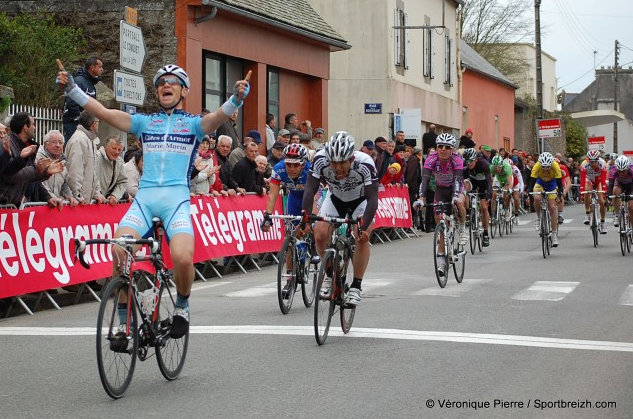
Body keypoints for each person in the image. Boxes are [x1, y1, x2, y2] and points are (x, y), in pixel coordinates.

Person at [57, 61, 250, 339]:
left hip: (176, 201)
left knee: (183, 258)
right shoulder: (146, 122)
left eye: (172, 82)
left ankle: (182, 305)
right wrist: (73, 89)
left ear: (184, 91)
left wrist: (236, 99)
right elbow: (103, 112)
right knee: (119, 250)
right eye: (161, 82)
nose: (166, 86)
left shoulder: (193, 124)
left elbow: (217, 117)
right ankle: (126, 322)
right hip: (145, 200)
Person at [299, 131, 378, 306]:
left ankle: (356, 286)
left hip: (361, 201)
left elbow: (373, 198)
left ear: (351, 159)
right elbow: (310, 189)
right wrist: (305, 217)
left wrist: (364, 226)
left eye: (342, 162)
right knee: (319, 233)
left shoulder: (365, 163)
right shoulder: (320, 159)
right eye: (333, 162)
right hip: (335, 198)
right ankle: (329, 276)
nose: (337, 168)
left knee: (360, 235)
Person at [261, 144, 315, 297]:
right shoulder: (278, 169)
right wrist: (267, 216)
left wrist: (310, 221)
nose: (291, 168)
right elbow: (272, 195)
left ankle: (314, 246)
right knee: (290, 237)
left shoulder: (310, 170)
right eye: (288, 164)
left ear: (303, 163)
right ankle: (290, 278)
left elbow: (315, 196)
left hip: (310, 198)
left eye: (295, 165)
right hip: (294, 198)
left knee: (313, 227)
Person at [415, 133, 467, 276]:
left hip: (455, 188)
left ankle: (462, 227)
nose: (443, 149)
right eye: (440, 146)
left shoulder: (457, 159)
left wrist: (456, 196)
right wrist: (421, 198)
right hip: (440, 189)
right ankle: (442, 261)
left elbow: (457, 179)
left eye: (447, 147)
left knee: (459, 203)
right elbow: (425, 180)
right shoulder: (431, 159)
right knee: (441, 224)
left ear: (452, 149)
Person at [0, 112, 64, 208]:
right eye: (33, 124)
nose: (34, 127)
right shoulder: (6, 144)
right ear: (25, 127)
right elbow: (10, 175)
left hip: (13, 207)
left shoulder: (28, 146)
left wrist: (47, 196)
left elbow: (29, 178)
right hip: (4, 205)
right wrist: (37, 169)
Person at [66, 111, 106, 204]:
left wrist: (97, 192)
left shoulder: (90, 140)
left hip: (85, 200)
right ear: (94, 124)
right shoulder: (79, 140)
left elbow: (93, 171)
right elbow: (75, 169)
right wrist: (77, 195)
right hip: (79, 202)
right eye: (98, 122)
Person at [62, 56, 103, 142]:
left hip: (83, 123)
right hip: (74, 123)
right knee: (76, 145)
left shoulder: (89, 83)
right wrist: (80, 120)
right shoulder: (79, 81)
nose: (102, 69)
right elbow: (72, 103)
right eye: (100, 66)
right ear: (92, 67)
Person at [35, 130, 79, 207]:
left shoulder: (63, 161)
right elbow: (38, 182)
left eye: (60, 142)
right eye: (54, 142)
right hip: (39, 205)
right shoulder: (39, 158)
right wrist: (51, 197)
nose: (57, 145)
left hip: (55, 205)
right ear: (45, 144)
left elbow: (64, 184)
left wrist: (69, 196)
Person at [528, 152, 563, 247]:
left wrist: (559, 195)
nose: (546, 169)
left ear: (551, 164)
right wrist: (529, 194)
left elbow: (560, 185)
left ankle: (554, 234)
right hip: (540, 182)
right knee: (537, 197)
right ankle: (538, 217)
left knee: (552, 207)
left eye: (548, 167)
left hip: (552, 184)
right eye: (544, 167)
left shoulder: (555, 166)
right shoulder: (536, 166)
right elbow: (531, 182)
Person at [462, 147, 492, 246]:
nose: (469, 163)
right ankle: (467, 210)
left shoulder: (483, 164)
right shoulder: (465, 165)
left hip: (483, 183)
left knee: (484, 208)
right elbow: (461, 180)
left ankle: (486, 233)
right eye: (467, 161)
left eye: (471, 161)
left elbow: (489, 181)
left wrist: (488, 195)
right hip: (472, 181)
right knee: (464, 185)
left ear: (476, 159)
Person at [95, 135, 129, 205]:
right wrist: (97, 194)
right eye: (114, 148)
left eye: (119, 150)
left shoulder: (119, 162)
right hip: (92, 201)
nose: (117, 152)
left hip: (103, 203)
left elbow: (123, 182)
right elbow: (89, 179)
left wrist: (115, 195)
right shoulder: (96, 157)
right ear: (105, 146)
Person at [579, 149, 607, 234]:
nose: (593, 164)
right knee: (587, 191)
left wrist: (604, 191)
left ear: (598, 160)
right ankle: (587, 214)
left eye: (595, 162)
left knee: (602, 202)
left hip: (598, 181)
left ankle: (602, 222)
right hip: (589, 179)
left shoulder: (603, 164)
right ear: (588, 160)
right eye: (591, 162)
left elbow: (603, 180)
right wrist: (582, 191)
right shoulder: (584, 164)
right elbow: (583, 179)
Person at [609, 155, 633, 230]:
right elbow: (610, 184)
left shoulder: (632, 169)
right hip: (619, 184)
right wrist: (609, 197)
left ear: (627, 168)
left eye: (624, 171)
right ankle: (616, 215)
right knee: (615, 192)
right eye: (619, 171)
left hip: (631, 186)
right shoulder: (612, 170)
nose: (622, 173)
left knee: (631, 207)